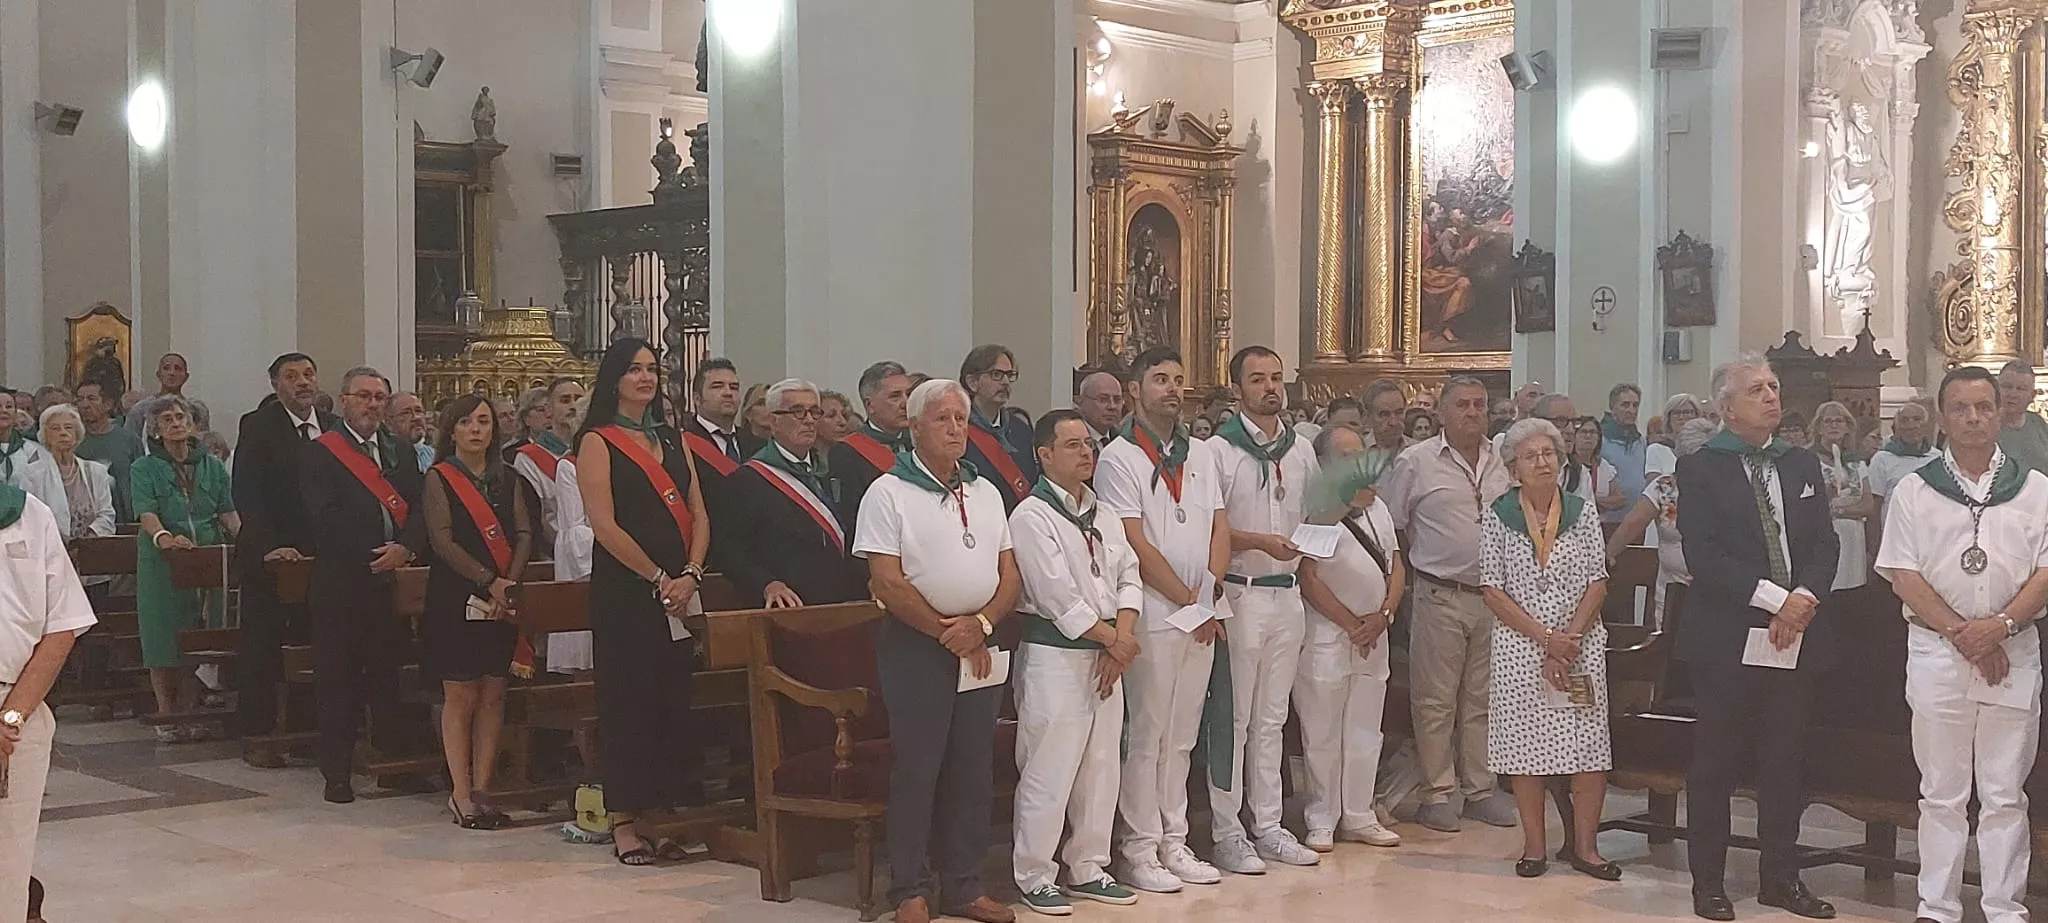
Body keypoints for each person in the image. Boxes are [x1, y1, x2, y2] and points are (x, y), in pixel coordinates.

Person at [1876, 365, 2048, 923]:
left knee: (2004, 791)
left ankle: (2003, 907)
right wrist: (1965, 634)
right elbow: (1903, 574)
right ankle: (1939, 906)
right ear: (1942, 417)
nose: (1973, 418)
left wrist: (2000, 627)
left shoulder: (2036, 489)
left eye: (1983, 407)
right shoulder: (1914, 489)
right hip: (1938, 653)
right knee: (1942, 790)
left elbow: (2045, 572)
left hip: (2013, 652)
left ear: (2000, 413)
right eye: (1960, 409)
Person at [1676, 354, 1840, 922]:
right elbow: (1706, 555)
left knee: (1784, 761)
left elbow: (1825, 544)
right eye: (1756, 390)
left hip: (1795, 634)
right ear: (1726, 408)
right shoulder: (1701, 468)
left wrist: (1803, 603)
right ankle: (1709, 883)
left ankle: (1780, 879)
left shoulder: (1800, 464)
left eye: (1773, 386)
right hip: (1728, 636)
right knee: (1716, 763)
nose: (1772, 396)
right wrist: (1777, 601)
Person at [853, 378, 1022, 923]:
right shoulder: (888, 492)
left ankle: (965, 884)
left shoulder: (986, 491)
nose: (955, 429)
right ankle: (909, 888)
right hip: (917, 647)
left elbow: (1009, 572)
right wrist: (943, 631)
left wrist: (981, 623)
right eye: (942, 419)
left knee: (973, 768)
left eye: (960, 419)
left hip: (978, 642)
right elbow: (887, 580)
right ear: (914, 425)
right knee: (919, 767)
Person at [1099, 346, 1231, 892]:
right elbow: (1133, 541)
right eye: (1160, 379)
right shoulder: (1119, 457)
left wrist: (1209, 592)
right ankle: (1139, 848)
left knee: (1182, 734)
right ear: (1136, 390)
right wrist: (1185, 598)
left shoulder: (1200, 453)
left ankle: (1175, 840)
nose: (1172, 389)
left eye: (1178, 379)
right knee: (1148, 733)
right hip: (1154, 609)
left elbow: (1220, 526)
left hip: (1201, 609)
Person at [576, 339, 712, 863]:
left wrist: (691, 574)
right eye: (634, 369)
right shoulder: (598, 440)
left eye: (652, 369)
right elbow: (603, 524)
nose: (645, 378)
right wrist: (658, 577)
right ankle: (625, 820)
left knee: (670, 704)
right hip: (627, 593)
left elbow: (699, 513)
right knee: (627, 703)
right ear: (614, 379)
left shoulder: (674, 439)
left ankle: (662, 814)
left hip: (680, 591)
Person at [1008, 409, 1143, 915]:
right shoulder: (1031, 515)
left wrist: (1121, 637)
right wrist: (1115, 641)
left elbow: (1129, 576)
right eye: (1072, 445)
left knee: (1101, 765)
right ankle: (1034, 873)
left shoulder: (1104, 512)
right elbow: (1056, 596)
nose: (1087, 452)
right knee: (1050, 766)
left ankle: (1088, 865)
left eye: (1089, 443)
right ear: (1043, 455)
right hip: (1057, 658)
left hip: (1108, 654)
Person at [1480, 418, 1617, 881]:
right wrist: (1546, 640)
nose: (1542, 462)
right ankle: (1534, 848)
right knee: (1525, 748)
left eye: (1549, 454)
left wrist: (1569, 641)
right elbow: (1492, 589)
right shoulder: (1499, 514)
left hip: (1579, 650)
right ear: (1513, 467)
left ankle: (1586, 849)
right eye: (1530, 456)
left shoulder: (1581, 510)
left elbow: (1598, 581)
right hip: (1521, 650)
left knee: (1589, 748)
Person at [1379, 375, 1516, 833]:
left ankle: (1480, 788)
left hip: (1493, 597)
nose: (1473, 413)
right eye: (1463, 405)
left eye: (1480, 405)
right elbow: (1394, 527)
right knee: (1435, 700)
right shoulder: (1416, 462)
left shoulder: (1504, 459)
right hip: (1439, 592)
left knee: (1482, 700)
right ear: (1442, 412)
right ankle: (1437, 792)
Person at [1206, 346, 1322, 872]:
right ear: (1237, 389)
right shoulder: (1216, 451)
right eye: (1258, 380)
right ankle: (1227, 831)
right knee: (1235, 717)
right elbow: (1211, 527)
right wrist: (1263, 539)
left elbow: (1314, 512)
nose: (1271, 388)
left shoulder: (1300, 450)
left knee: (1273, 719)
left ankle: (1270, 824)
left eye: (1277, 378)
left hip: (1288, 593)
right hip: (1240, 590)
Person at [301, 366, 427, 804]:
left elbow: (419, 509)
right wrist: (374, 553)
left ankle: (395, 767)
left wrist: (404, 550)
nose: (372, 404)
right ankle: (336, 773)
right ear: (344, 399)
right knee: (339, 682)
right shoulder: (322, 452)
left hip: (391, 582)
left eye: (379, 397)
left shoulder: (401, 451)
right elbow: (323, 517)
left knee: (388, 678)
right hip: (341, 583)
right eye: (364, 396)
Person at [421, 394, 534, 830]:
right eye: (466, 422)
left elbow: (523, 532)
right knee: (461, 695)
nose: (476, 429)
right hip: (456, 598)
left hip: (502, 597)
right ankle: (460, 792)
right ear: (452, 430)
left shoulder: (509, 477)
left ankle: (485, 789)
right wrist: (489, 580)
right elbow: (442, 540)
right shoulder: (440, 477)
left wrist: (509, 581)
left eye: (484, 422)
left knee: (493, 692)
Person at [1293, 424, 1403, 850]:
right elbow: (1309, 576)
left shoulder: (1377, 507)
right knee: (1322, 730)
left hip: (1375, 635)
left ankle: (1359, 812)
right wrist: (1350, 622)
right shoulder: (1317, 509)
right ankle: (1322, 816)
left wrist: (1384, 615)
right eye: (1344, 456)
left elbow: (1395, 565)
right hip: (1329, 634)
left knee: (1364, 728)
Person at [230, 352, 334, 759]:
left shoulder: (331, 427)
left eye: (308, 374)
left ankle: (306, 731)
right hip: (268, 556)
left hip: (318, 558)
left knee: (312, 643)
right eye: (292, 377)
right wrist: (271, 545)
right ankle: (258, 736)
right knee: (263, 647)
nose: (303, 383)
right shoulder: (259, 427)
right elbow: (248, 492)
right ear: (275, 384)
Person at [0, 480, 94, 923]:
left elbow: (63, 626)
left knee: (7, 872)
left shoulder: (28, 513)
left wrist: (10, 719)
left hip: (18, 713)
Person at [132, 396, 238, 742]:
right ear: (157, 431)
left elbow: (227, 511)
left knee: (198, 634)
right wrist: (163, 537)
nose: (176, 423)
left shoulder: (210, 465)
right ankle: (166, 714)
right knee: (162, 638)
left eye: (180, 417)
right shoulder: (144, 468)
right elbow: (146, 511)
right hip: (163, 561)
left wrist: (251, 542)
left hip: (205, 558)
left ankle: (191, 710)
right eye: (167, 420)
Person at [721, 379, 867, 608]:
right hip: (788, 605)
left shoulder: (832, 471)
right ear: (774, 420)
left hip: (841, 600)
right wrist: (767, 584)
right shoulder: (749, 479)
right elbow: (730, 552)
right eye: (797, 412)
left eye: (814, 412)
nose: (809, 420)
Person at [1607, 419, 1718, 613]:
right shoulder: (1664, 486)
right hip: (1672, 588)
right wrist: (1608, 555)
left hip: (1717, 587)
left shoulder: (1727, 487)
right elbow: (1633, 523)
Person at [547, 394, 597, 674]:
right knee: (587, 658)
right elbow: (576, 530)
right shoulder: (571, 466)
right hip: (589, 569)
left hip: (630, 565)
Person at [961, 344, 1038, 512]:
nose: (1005, 382)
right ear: (972, 382)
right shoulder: (958, 429)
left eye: (1009, 375)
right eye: (996, 375)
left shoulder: (1020, 429)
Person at [510, 377, 585, 548]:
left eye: (579, 400)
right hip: (559, 551)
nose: (573, 406)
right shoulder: (529, 458)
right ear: (549, 410)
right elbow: (537, 517)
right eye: (565, 400)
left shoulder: (596, 450)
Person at [834, 361, 915, 517]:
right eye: (895, 396)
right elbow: (850, 514)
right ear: (870, 405)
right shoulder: (848, 452)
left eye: (909, 394)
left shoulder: (920, 443)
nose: (906, 403)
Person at [1811, 400, 1873, 593]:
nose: (1834, 425)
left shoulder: (1856, 462)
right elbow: (1814, 504)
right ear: (1819, 428)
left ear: (1847, 427)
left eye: (1839, 421)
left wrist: (1838, 510)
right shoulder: (1808, 460)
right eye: (1828, 421)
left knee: (1851, 595)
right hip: (1824, 536)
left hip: (1853, 537)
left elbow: (1868, 504)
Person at [34, 405, 116, 544]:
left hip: (91, 549)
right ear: (45, 436)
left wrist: (88, 539)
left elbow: (107, 514)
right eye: (55, 428)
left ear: (77, 434)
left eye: (68, 427)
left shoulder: (96, 472)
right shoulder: (33, 474)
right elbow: (33, 517)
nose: (63, 433)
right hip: (50, 548)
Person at [1865, 399, 1937, 550]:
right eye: (1905, 421)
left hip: (1931, 540)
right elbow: (1874, 506)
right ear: (1897, 428)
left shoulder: (1939, 459)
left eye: (1917, 419)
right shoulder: (1882, 459)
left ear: (1926, 425)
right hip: (1894, 540)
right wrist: (1875, 545)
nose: (1911, 425)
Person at [73, 381, 146, 522]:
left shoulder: (128, 440)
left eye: (91, 399)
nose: (84, 405)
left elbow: (140, 483)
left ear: (108, 404)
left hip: (125, 520)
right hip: (84, 521)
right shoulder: (72, 442)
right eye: (80, 400)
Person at [125, 353, 211, 439]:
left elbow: (203, 442)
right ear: (158, 375)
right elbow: (129, 442)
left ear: (186, 376)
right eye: (166, 368)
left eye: (178, 369)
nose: (172, 373)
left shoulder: (197, 410)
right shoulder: (141, 409)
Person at [1600, 384, 1649, 523]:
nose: (1631, 410)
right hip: (1608, 520)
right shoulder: (1600, 439)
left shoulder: (1640, 441)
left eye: (1635, 405)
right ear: (1612, 406)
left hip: (1638, 520)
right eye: (1625, 405)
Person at [1996, 359, 2048, 475]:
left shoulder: (2040, 425)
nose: (2013, 394)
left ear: (2032, 395)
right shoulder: (1984, 426)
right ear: (1996, 389)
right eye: (2007, 387)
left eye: (2021, 389)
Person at [1564, 417, 1623, 514]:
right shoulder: (1567, 464)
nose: (1588, 436)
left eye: (1592, 432)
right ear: (1574, 436)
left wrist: (1592, 501)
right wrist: (1604, 502)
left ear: (1599, 437)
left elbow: (1620, 499)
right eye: (1583, 432)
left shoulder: (1604, 466)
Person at [1359, 379, 1411, 489]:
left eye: (1399, 412)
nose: (1393, 422)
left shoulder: (1421, 453)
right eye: (1384, 414)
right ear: (1367, 417)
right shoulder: (1358, 454)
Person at [0, 395, 49, 494]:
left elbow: (39, 486)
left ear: (15, 413)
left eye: (9, 406)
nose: (3, 410)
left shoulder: (30, 450)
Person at [1074, 369, 1125, 451]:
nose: (1112, 406)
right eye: (1103, 399)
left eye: (1117, 400)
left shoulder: (1124, 440)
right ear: (1081, 402)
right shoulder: (1070, 439)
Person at [387, 392, 433, 472]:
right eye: (406, 413)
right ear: (389, 423)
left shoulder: (435, 456)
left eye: (418, 411)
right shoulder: (385, 458)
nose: (416, 417)